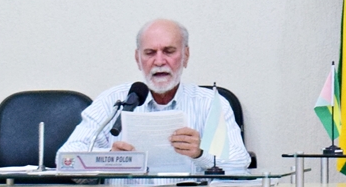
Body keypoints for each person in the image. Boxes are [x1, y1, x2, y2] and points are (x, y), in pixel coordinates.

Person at [58, 18, 250, 172]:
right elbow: (65, 159)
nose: (159, 61)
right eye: (150, 53)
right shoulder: (112, 100)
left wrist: (201, 153)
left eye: (169, 51)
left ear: (186, 55)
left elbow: (241, 164)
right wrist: (108, 157)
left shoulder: (209, 103)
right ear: (138, 59)